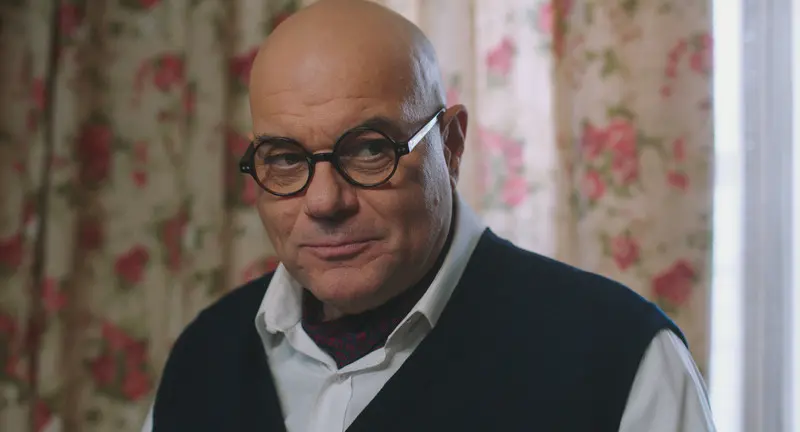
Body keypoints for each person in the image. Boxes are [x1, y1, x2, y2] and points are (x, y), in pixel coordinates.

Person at [142, 1, 716, 431]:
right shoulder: (203, 357)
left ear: (451, 145)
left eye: (369, 150)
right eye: (286, 159)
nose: (324, 202)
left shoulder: (619, 358)